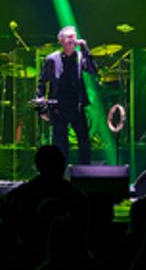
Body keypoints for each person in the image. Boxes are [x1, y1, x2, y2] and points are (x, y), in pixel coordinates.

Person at [36, 25, 99, 165]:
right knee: (60, 144)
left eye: (74, 36)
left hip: (77, 106)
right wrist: (41, 108)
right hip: (58, 107)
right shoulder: (52, 59)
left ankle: (84, 172)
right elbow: (41, 83)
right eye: (68, 36)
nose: (72, 39)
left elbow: (93, 70)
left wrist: (85, 49)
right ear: (61, 40)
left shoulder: (80, 57)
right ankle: (59, 173)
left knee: (84, 142)